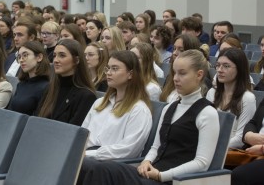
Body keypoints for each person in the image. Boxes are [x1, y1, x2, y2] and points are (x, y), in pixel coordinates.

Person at [79, 50, 220, 184]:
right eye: (174, 73)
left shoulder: (207, 113)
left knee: (98, 169)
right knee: (101, 169)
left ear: (199, 75)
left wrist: (161, 176)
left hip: (174, 179)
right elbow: (155, 147)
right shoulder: (170, 107)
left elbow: (202, 163)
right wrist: (146, 162)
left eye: (182, 74)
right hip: (152, 173)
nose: (175, 78)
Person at [77, 50, 152, 183]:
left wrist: (88, 154)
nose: (109, 73)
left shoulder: (139, 109)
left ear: (130, 74)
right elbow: (83, 134)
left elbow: (129, 149)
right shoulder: (99, 103)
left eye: (115, 69)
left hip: (113, 166)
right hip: (88, 156)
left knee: (82, 165)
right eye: (108, 68)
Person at [36, 39, 97, 126]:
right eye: (54, 55)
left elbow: (74, 132)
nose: (55, 60)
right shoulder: (50, 88)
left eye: (62, 55)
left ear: (76, 60)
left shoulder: (86, 96)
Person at [206, 48, 256, 148]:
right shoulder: (212, 93)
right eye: (218, 65)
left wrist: (211, 148)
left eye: (226, 66)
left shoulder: (247, 98)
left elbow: (240, 138)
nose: (219, 70)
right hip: (208, 147)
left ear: (239, 69)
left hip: (229, 152)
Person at [8, 41, 50, 115]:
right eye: (19, 57)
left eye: (25, 55)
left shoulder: (46, 87)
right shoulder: (21, 85)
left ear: (39, 57)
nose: (21, 60)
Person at [160, 34, 201, 103]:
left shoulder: (200, 83)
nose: (174, 53)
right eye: (174, 48)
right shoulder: (170, 77)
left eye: (181, 50)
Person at [231, 99, 264, 184]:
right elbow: (253, 123)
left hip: (260, 152)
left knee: (239, 175)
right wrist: (248, 135)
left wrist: (262, 149)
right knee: (219, 168)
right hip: (251, 149)